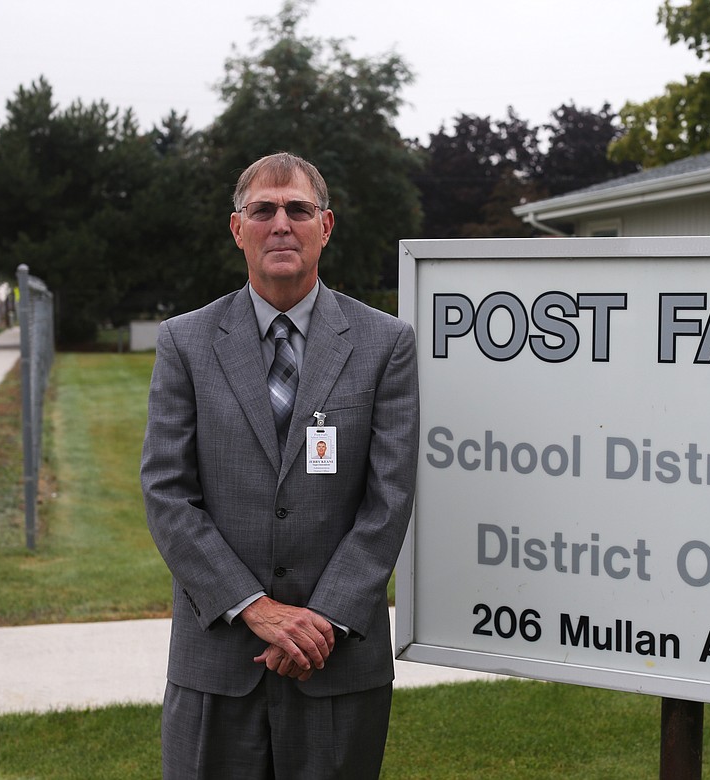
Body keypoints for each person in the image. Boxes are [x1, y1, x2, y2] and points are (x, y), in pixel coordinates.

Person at [141, 151, 420, 778]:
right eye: (262, 210)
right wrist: (256, 610)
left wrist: (320, 621)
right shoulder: (185, 342)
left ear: (326, 225)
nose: (281, 224)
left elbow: (390, 497)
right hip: (219, 657)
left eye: (298, 209)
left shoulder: (386, 345)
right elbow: (167, 492)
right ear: (237, 229)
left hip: (339, 659)